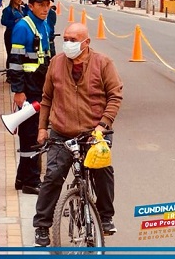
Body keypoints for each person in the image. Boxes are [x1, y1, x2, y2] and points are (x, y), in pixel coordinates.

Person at [32, 21, 123, 247]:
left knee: (102, 171)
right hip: (62, 131)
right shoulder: (56, 63)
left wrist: (103, 125)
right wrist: (43, 129)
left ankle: (105, 216)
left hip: (95, 131)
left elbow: (115, 96)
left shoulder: (103, 63)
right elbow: (46, 99)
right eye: (66, 39)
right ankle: (42, 225)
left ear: (86, 42)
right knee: (53, 176)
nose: (68, 44)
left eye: (74, 40)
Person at [7, 0, 55, 195]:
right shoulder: (23, 27)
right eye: (41, 5)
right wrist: (18, 90)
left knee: (32, 132)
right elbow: (15, 61)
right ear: (32, 5)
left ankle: (21, 178)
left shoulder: (43, 24)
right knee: (32, 135)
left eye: (48, 5)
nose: (45, 9)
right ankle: (31, 181)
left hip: (40, 86)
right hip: (28, 88)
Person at [0, 0, 29, 70]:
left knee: (18, 55)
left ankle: (16, 72)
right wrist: (14, 22)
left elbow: (29, 13)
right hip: (10, 35)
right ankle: (9, 74)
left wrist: (25, 5)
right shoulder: (8, 10)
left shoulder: (22, 10)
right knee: (11, 54)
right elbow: (3, 21)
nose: (20, 0)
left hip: (20, 36)